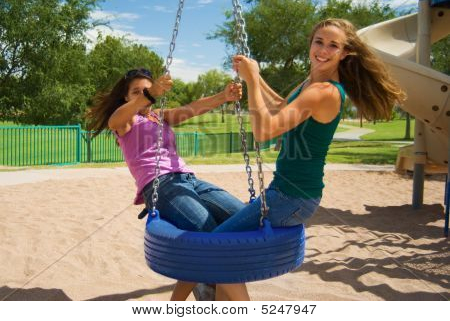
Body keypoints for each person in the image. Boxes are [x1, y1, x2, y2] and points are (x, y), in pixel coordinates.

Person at [213, 18, 405, 233]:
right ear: (310, 43)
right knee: (224, 235)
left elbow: (263, 132)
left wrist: (252, 80)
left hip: (293, 198)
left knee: (217, 241)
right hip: (284, 192)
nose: (323, 50)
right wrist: (254, 77)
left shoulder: (324, 91)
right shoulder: (310, 84)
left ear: (345, 53)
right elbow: (279, 107)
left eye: (333, 45)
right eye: (319, 41)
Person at [86, 68, 249, 301]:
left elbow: (191, 109)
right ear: (126, 97)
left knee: (242, 217)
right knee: (208, 233)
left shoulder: (158, 116)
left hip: (189, 180)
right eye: (137, 92)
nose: (144, 95)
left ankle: (202, 282)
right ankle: (213, 290)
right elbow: (114, 120)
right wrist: (150, 94)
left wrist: (223, 96)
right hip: (160, 185)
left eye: (148, 90)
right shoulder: (126, 121)